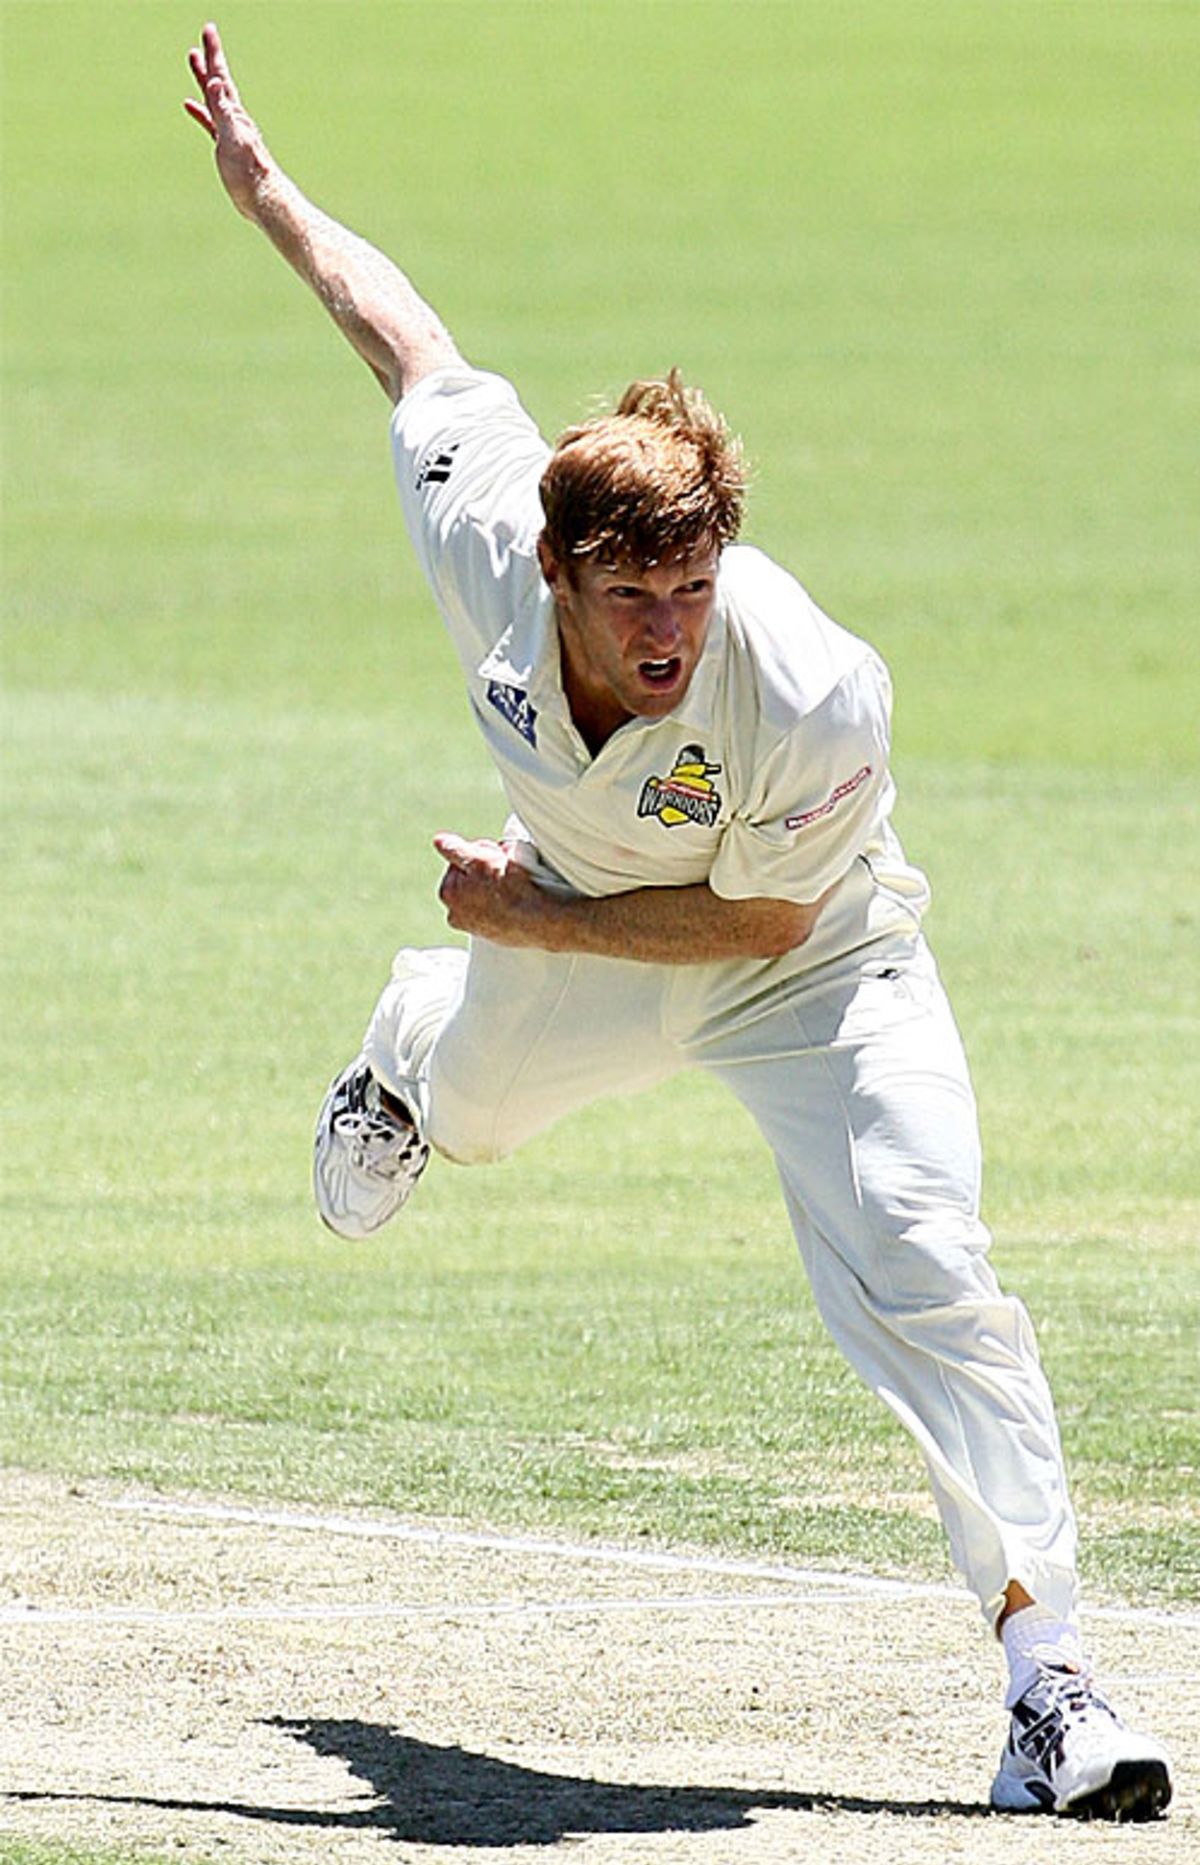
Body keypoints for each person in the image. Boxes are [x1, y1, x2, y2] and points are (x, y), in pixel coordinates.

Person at [185, 22, 1172, 1821]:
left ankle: (1057, 1686)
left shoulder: (815, 690)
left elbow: (761, 916)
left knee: (928, 1261)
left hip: (809, 960)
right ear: (557, 569)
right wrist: (268, 192)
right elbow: (408, 343)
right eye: (634, 591)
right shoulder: (491, 533)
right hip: (565, 929)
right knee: (468, 1113)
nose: (668, 630)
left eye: (695, 587)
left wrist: (533, 912)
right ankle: (406, 1048)